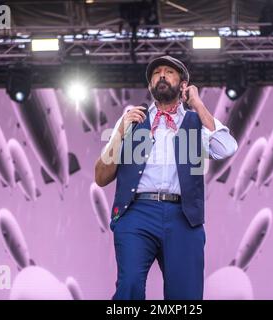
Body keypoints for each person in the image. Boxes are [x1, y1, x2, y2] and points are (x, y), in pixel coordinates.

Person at [95, 55, 238, 300]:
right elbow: (101, 176)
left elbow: (227, 148)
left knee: (185, 295)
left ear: (183, 84)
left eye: (169, 72)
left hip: (183, 216)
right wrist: (120, 132)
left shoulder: (195, 123)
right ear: (150, 84)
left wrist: (198, 105)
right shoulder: (132, 119)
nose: (161, 75)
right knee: (129, 285)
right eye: (156, 73)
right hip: (137, 212)